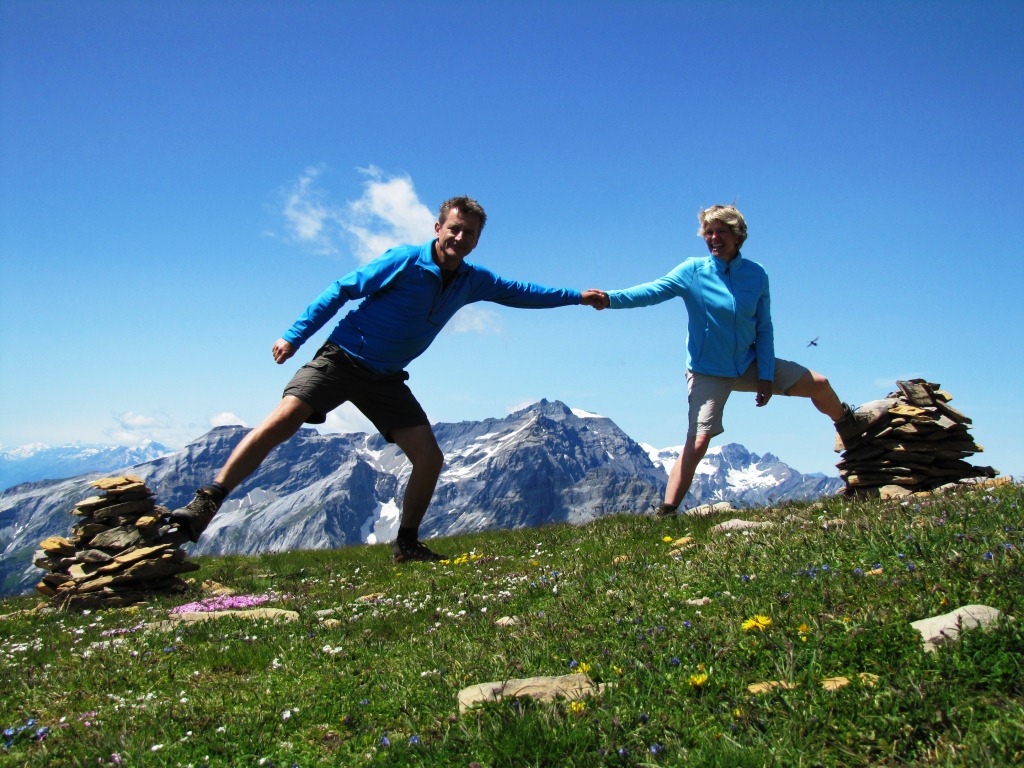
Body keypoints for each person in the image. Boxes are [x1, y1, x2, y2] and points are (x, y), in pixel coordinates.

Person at [170, 196, 608, 560]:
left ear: (476, 241)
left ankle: (407, 544)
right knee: (286, 417)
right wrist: (294, 336)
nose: (459, 238)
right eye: (453, 228)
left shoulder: (473, 281)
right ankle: (207, 500)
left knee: (430, 459)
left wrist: (577, 297)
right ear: (438, 226)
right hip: (342, 357)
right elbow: (342, 289)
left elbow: (523, 293)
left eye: (469, 233)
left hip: (385, 379)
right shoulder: (403, 260)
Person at [591, 204, 867, 515]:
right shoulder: (692, 271)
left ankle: (850, 429)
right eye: (708, 232)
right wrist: (610, 299)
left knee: (820, 384)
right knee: (697, 443)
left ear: (737, 235)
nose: (713, 237)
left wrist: (765, 374)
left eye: (721, 231)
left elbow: (764, 327)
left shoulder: (756, 274)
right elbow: (652, 291)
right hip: (707, 371)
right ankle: (667, 512)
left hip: (748, 363)